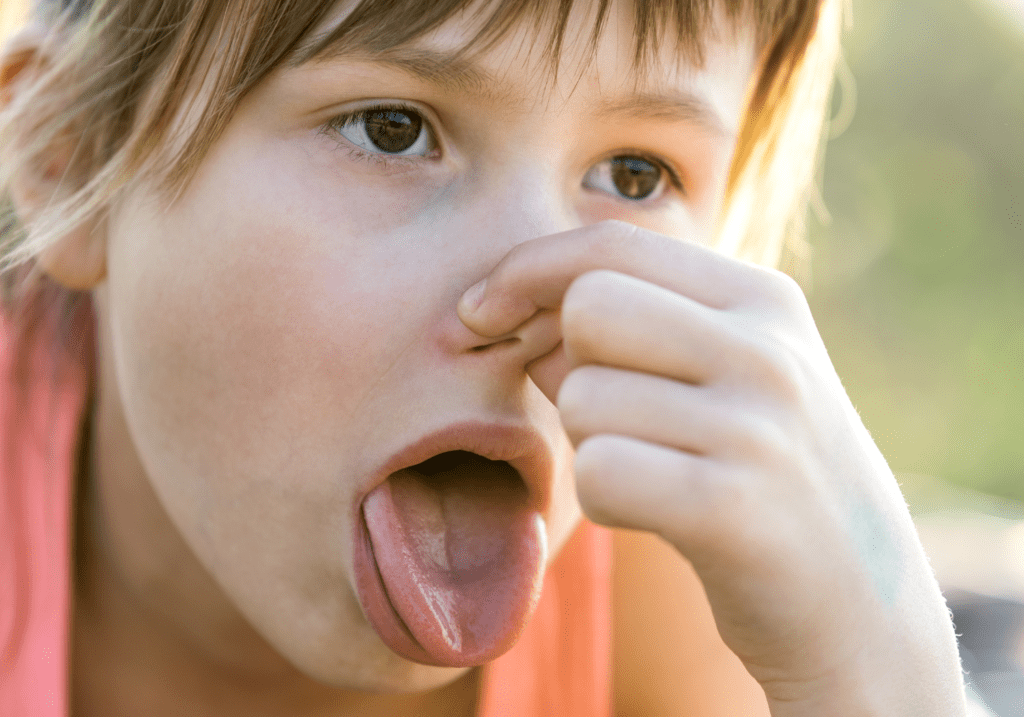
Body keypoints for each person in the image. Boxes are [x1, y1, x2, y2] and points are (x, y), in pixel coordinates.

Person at [0, 0, 970, 714]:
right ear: (66, 149)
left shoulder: (692, 586)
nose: (533, 293)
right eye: (391, 128)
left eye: (634, 175)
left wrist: (876, 669)